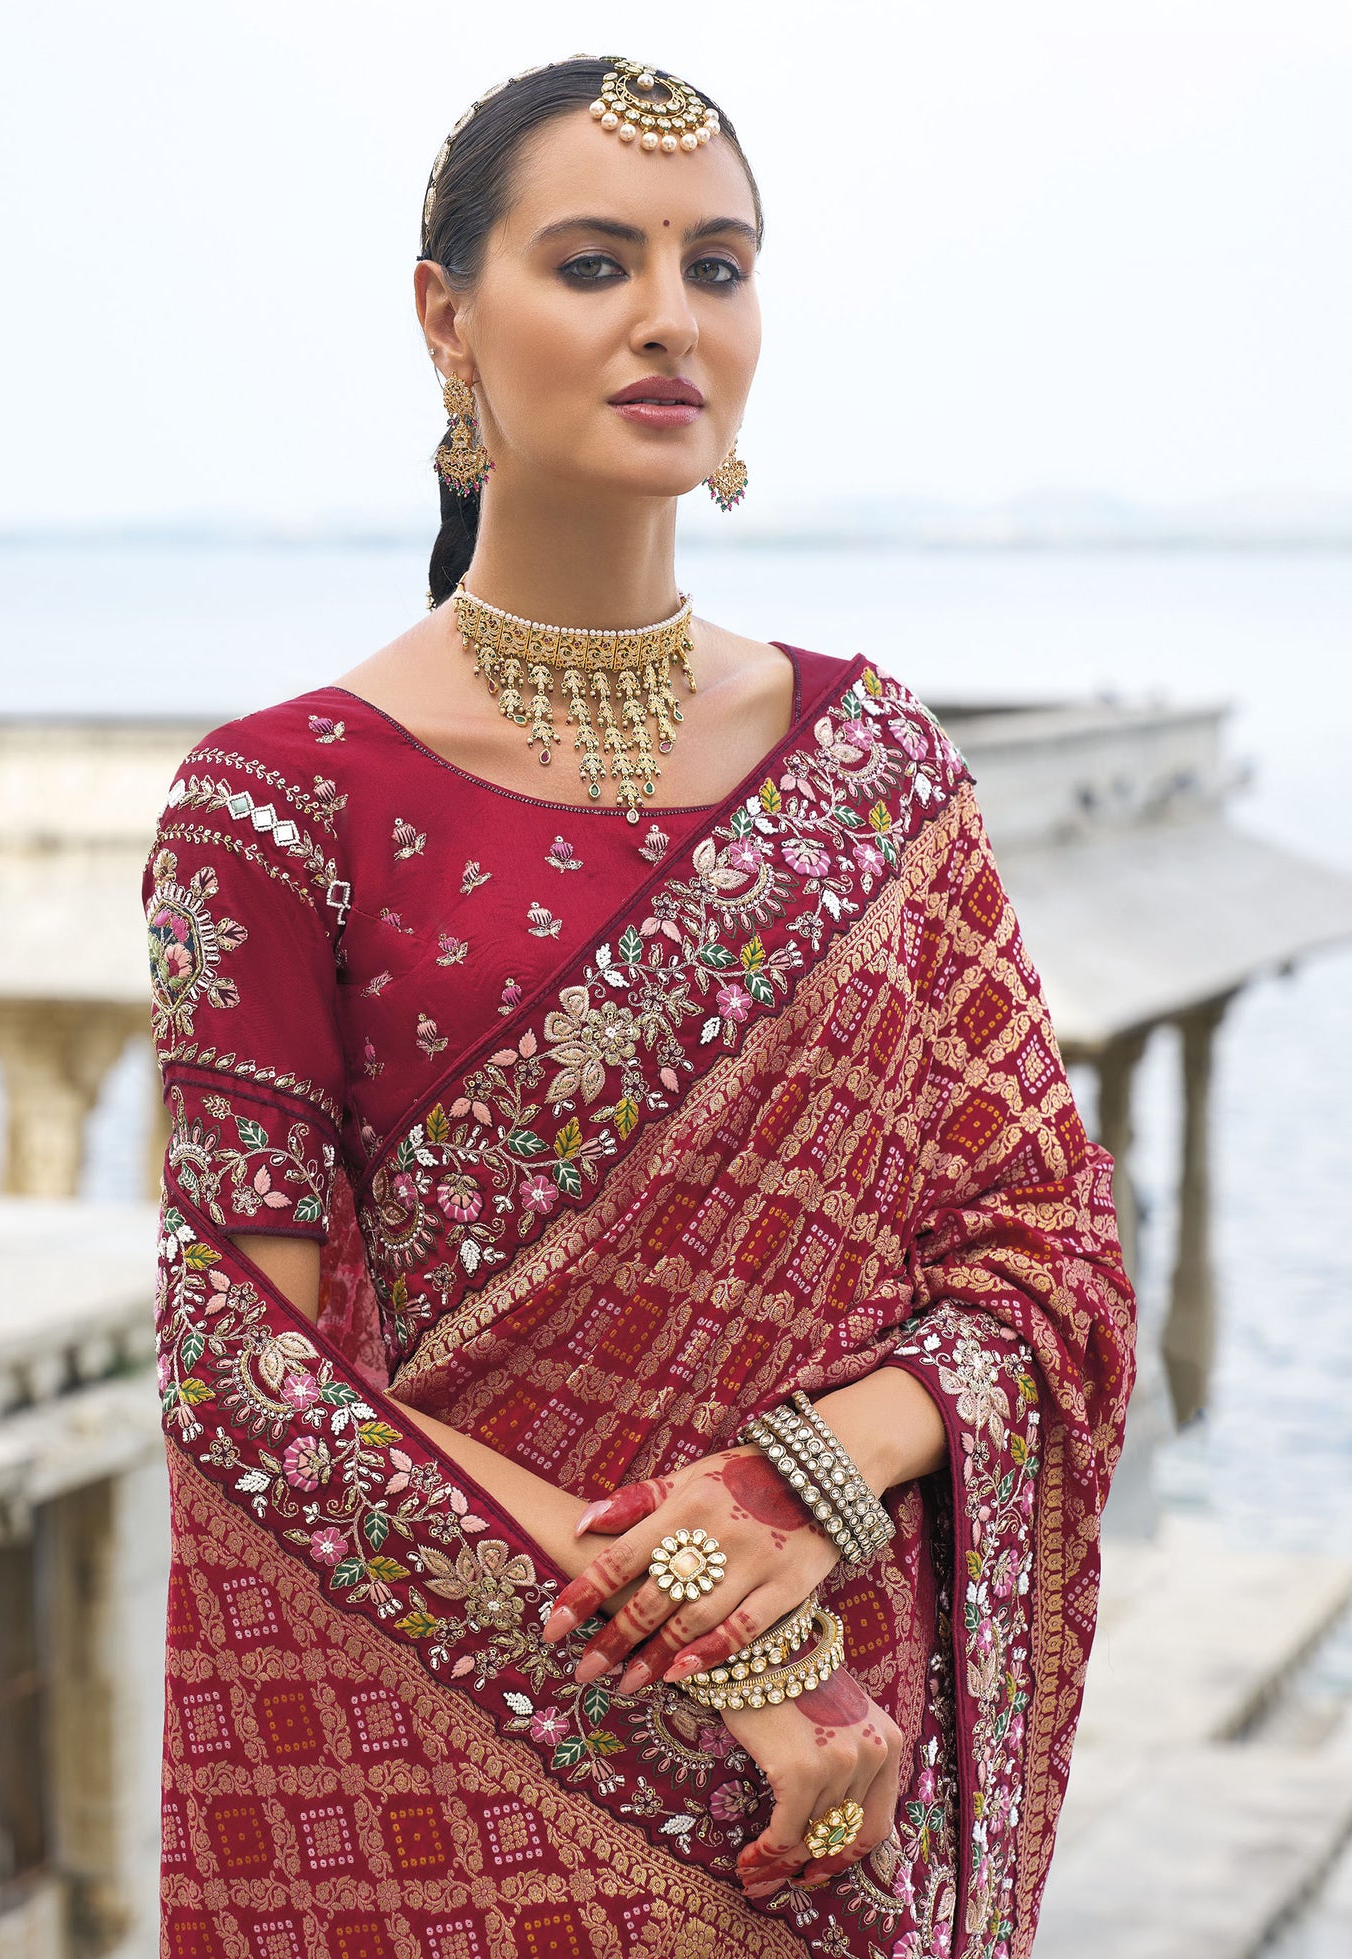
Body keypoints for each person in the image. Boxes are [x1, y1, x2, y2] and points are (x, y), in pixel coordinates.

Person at [145, 53, 1135, 1959]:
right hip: (469, 1760)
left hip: (833, 1786)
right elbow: (250, 1363)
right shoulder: (273, 809)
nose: (672, 317)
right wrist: (726, 1640)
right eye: (595, 262)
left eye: (719, 266)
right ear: (446, 318)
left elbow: (1049, 1257)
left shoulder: (874, 771)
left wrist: (796, 1494)